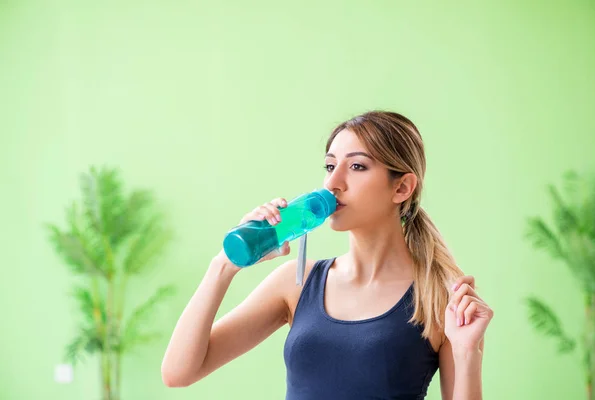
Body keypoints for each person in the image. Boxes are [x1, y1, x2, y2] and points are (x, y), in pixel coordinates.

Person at [161, 111, 494, 399]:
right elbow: (179, 373)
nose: (332, 183)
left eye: (357, 166)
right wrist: (224, 265)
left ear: (402, 188)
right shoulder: (296, 282)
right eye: (330, 165)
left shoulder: (438, 297)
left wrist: (467, 352)